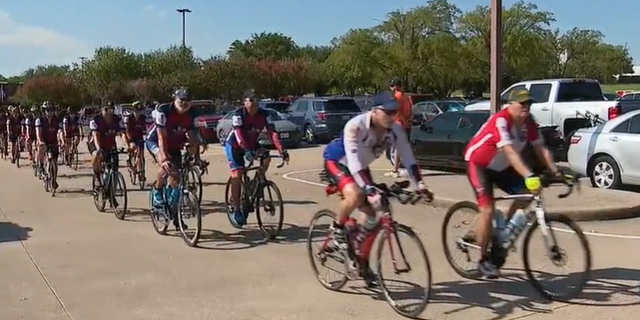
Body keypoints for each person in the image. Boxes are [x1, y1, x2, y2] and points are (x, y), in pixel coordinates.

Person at [323, 91, 430, 286]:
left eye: (395, 112)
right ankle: (337, 227)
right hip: (339, 161)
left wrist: (421, 185)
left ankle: (361, 259)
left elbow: (408, 157)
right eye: (387, 112)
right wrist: (369, 189)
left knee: (375, 213)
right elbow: (353, 163)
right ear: (375, 111)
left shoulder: (395, 129)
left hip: (361, 168)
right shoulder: (355, 126)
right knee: (356, 194)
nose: (392, 116)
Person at [464, 89, 561, 278]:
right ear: (511, 105)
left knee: (528, 193)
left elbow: (540, 148)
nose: (526, 108)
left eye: (529, 104)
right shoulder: (501, 120)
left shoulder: (528, 122)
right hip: (479, 164)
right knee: (488, 210)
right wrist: (528, 175)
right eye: (522, 104)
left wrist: (556, 171)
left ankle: (503, 232)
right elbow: (510, 152)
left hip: (502, 167)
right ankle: (483, 260)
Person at [225, 89, 290, 226]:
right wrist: (246, 149)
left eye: (257, 100)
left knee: (266, 158)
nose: (255, 103)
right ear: (245, 102)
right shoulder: (238, 114)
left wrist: (281, 149)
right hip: (235, 145)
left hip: (252, 144)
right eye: (252, 100)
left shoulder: (264, 115)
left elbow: (272, 132)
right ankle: (236, 208)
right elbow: (238, 134)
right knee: (237, 174)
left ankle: (256, 181)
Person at [146, 88, 198, 225]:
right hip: (156, 142)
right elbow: (161, 137)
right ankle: (157, 192)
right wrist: (164, 159)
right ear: (175, 99)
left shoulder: (191, 113)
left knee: (176, 178)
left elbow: (192, 135)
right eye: (181, 100)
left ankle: (174, 210)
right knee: (167, 167)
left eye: (187, 101)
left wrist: (196, 156)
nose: (184, 103)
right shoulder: (164, 111)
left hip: (174, 144)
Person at [89, 103, 124, 187]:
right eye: (107, 110)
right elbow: (95, 135)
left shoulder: (117, 119)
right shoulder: (95, 120)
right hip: (96, 144)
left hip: (110, 146)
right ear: (102, 110)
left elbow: (123, 134)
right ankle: (97, 176)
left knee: (114, 167)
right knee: (96, 155)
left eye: (112, 110)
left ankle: (112, 190)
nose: (109, 112)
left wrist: (127, 146)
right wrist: (99, 149)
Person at [388, 78, 413, 177]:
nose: (391, 89)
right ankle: (404, 168)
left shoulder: (397, 97)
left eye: (391, 86)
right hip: (405, 124)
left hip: (399, 124)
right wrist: (408, 120)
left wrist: (404, 121)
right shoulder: (407, 97)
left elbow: (397, 111)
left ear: (395, 86)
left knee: (398, 147)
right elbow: (411, 110)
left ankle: (395, 171)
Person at [35, 103, 61, 190]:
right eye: (47, 111)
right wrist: (40, 142)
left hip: (53, 141)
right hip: (44, 141)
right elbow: (38, 134)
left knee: (54, 162)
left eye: (51, 111)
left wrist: (62, 141)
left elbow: (60, 132)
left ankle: (54, 180)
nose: (50, 113)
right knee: (41, 148)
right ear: (44, 111)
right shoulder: (40, 120)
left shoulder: (57, 120)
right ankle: (41, 166)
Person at [122, 101, 147, 175]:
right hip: (131, 137)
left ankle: (142, 171)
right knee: (132, 148)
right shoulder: (128, 118)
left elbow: (147, 128)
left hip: (139, 137)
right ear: (133, 110)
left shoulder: (143, 118)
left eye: (140, 110)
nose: (138, 112)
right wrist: (131, 141)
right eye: (136, 111)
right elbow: (127, 131)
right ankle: (129, 160)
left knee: (141, 153)